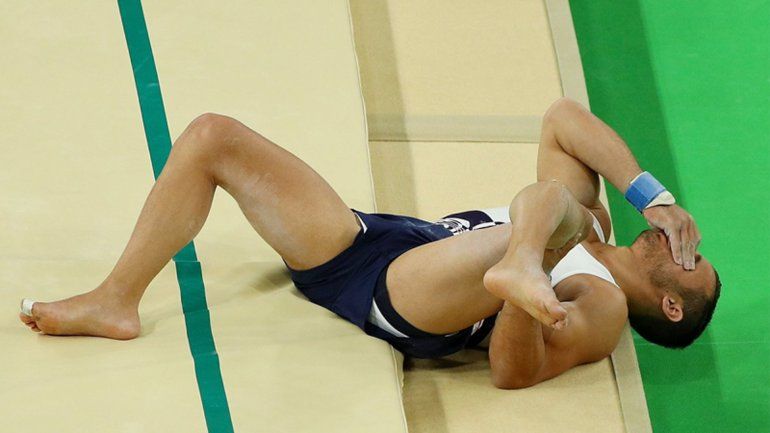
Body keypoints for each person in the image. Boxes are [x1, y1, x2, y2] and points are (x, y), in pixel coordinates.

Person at [19, 98, 720, 389]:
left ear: (672, 304)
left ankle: (514, 263)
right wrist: (651, 195)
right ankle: (115, 300)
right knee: (213, 137)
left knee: (555, 212)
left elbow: (513, 373)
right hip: (375, 242)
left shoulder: (603, 307)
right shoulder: (592, 222)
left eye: (691, 261)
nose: (680, 243)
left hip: (413, 301)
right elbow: (564, 117)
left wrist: (524, 300)